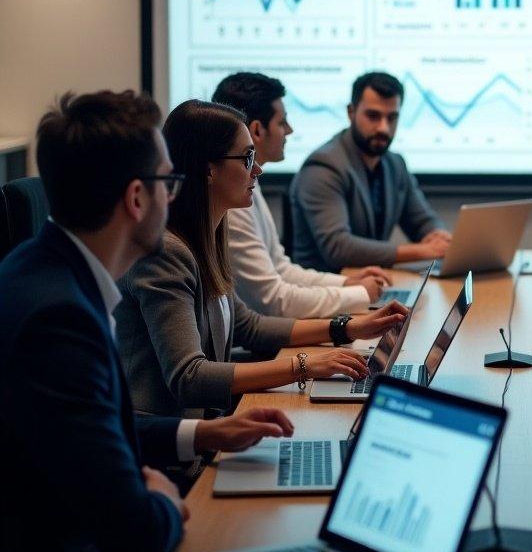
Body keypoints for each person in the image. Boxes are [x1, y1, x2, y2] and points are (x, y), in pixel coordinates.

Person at [0, 91, 296, 552]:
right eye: (169, 179)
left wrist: (200, 433)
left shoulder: (46, 274)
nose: (177, 191)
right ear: (138, 198)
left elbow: (93, 427)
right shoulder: (60, 318)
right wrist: (160, 492)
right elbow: (135, 535)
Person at [116, 99, 406, 423]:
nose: (258, 168)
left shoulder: (209, 234)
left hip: (207, 426)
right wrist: (303, 365)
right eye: (247, 157)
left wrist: (349, 327)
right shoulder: (166, 253)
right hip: (167, 449)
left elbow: (247, 326)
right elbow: (189, 377)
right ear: (208, 169)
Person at [211, 72, 390, 316]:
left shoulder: (251, 181)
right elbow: (273, 299)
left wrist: (346, 283)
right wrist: (359, 294)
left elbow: (281, 269)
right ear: (257, 130)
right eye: (282, 122)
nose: (290, 130)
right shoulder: (232, 202)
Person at [290, 71, 451, 269]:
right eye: (373, 116)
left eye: (392, 118)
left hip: (371, 287)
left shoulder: (395, 164)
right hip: (324, 291)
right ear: (351, 112)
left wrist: (439, 237)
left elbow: (422, 221)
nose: (384, 128)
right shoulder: (323, 167)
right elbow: (338, 248)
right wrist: (423, 251)